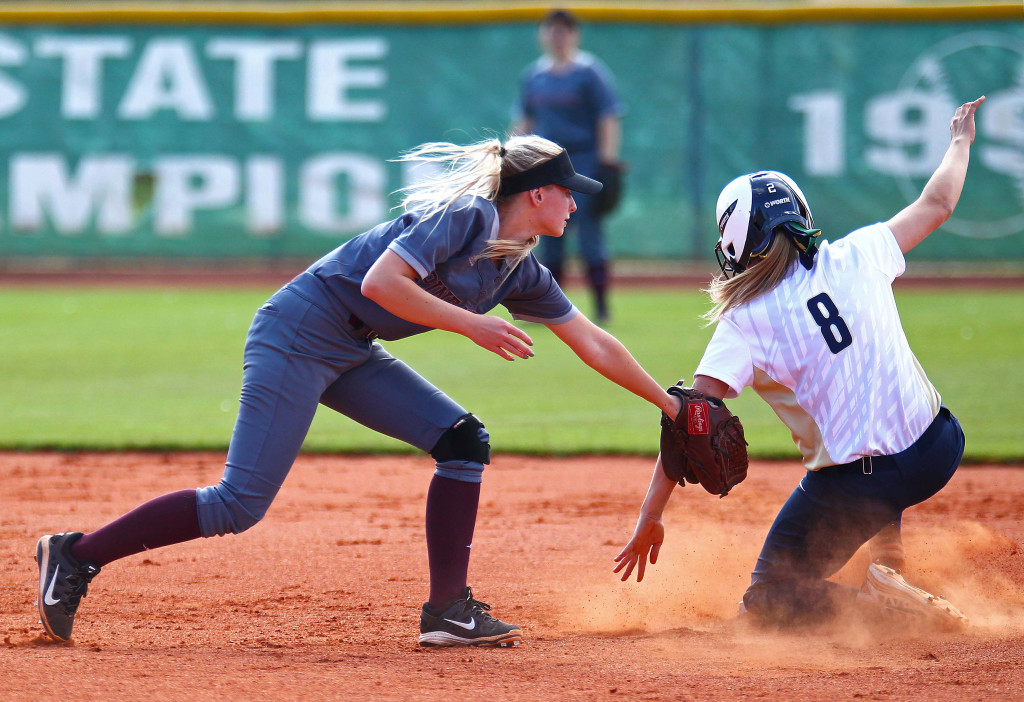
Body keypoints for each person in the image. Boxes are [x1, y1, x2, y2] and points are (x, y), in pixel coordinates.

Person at [36, 135, 681, 648]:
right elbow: (380, 283)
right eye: (568, 192)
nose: (575, 203)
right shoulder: (464, 216)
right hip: (296, 334)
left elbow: (593, 340)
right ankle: (76, 555)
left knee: (463, 441)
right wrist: (471, 325)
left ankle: (446, 611)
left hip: (350, 350)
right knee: (239, 504)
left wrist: (670, 404)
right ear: (536, 194)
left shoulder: (520, 267)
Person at [614, 97, 985, 630]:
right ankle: (889, 566)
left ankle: (881, 609)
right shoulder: (860, 253)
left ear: (738, 243)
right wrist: (959, 141)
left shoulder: (745, 321)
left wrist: (650, 517)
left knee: (768, 598)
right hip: (939, 447)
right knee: (873, 439)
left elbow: (691, 420)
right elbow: (937, 203)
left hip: (863, 482)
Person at [512, 8, 623, 324]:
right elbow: (524, 121)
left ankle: (601, 307)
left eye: (564, 30)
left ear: (574, 35)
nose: (557, 36)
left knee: (590, 236)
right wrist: (511, 157)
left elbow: (608, 118)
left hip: (584, 162)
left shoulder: (589, 72)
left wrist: (608, 162)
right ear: (542, 34)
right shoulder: (535, 75)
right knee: (550, 237)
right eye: (551, 30)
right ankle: (551, 307)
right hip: (546, 164)